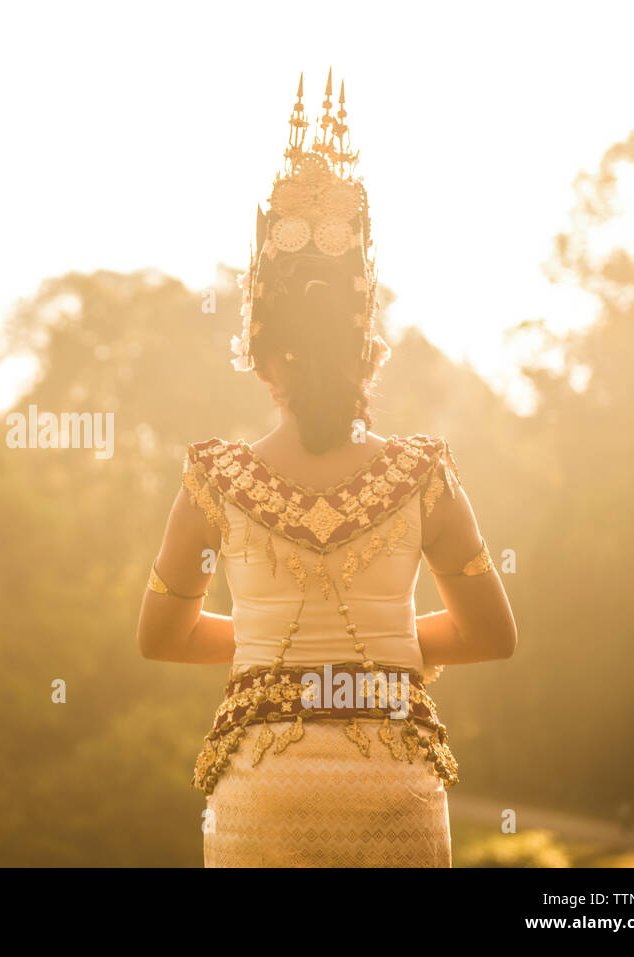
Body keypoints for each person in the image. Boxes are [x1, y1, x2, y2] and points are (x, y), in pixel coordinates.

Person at [136, 70, 517, 867]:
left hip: (259, 794)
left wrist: (282, 655)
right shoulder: (423, 473)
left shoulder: (215, 478)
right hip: (392, 786)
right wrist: (371, 658)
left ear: (262, 354)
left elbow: (160, 635)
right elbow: (491, 632)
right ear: (368, 351)